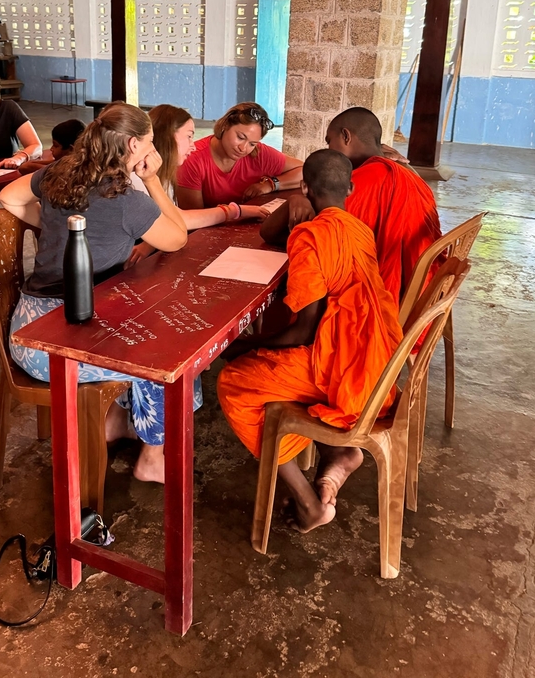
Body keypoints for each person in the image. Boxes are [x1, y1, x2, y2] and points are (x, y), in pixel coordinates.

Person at [0, 102, 193, 484]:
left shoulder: (60, 172)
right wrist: (153, 181)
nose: (154, 151)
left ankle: (115, 421)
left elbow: (9, 197)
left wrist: (64, 228)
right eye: (150, 143)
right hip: (61, 346)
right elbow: (177, 238)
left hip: (28, 328)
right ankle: (153, 456)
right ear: (134, 146)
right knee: (170, 355)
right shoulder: (126, 200)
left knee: (136, 324)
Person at [218, 149, 402, 534]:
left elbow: (304, 330)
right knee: (264, 359)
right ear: (350, 189)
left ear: (304, 187)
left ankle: (307, 501)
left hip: (343, 371)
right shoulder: (359, 228)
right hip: (380, 362)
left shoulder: (309, 236)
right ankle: (338, 452)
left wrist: (248, 346)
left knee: (235, 381)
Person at [260, 107, 441, 305]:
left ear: (346, 136)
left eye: (330, 141)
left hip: (378, 301)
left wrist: (295, 199)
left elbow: (272, 233)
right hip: (424, 291)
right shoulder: (409, 174)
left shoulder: (362, 182)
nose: (329, 149)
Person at [126, 105, 271, 267]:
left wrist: (239, 209)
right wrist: (236, 211)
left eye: (252, 143)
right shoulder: (137, 181)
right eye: (189, 137)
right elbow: (179, 227)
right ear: (168, 137)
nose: (193, 145)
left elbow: (172, 217)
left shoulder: (162, 176)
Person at [176, 101, 303, 209]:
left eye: (252, 143)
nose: (243, 148)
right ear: (225, 125)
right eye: (240, 137)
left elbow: (306, 171)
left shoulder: (258, 153)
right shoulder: (192, 158)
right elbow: (193, 219)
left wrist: (271, 184)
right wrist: (237, 213)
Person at [18, 118, 86, 176]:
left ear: (71, 149)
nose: (51, 149)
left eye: (55, 146)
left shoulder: (69, 172)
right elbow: (53, 162)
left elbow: (25, 167)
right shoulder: (70, 161)